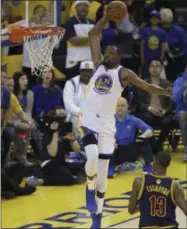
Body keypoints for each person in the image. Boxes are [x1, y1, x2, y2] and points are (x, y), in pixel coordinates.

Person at [79, 7, 172, 228]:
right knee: (91, 159)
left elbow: (146, 85)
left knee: (103, 173)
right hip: (89, 119)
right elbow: (93, 34)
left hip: (107, 125)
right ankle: (88, 187)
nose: (109, 52)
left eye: (113, 50)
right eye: (107, 49)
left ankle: (97, 217)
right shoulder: (98, 64)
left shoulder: (123, 73)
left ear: (118, 56)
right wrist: (105, 17)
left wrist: (162, 92)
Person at [128, 151, 187, 228]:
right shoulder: (175, 186)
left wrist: (145, 205)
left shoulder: (140, 181)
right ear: (168, 164)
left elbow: (131, 210)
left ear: (154, 161)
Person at [108, 97, 154, 178]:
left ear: (127, 108)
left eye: (123, 106)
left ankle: (148, 165)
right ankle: (110, 168)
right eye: (118, 105)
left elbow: (150, 130)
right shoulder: (110, 120)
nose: (120, 108)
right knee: (107, 143)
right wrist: (111, 141)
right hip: (116, 152)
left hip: (130, 151)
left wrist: (143, 136)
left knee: (144, 139)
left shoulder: (133, 120)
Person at [171, 66, 187, 161]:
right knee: (182, 115)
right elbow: (174, 98)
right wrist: (183, 87)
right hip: (182, 112)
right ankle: (186, 149)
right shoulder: (179, 81)